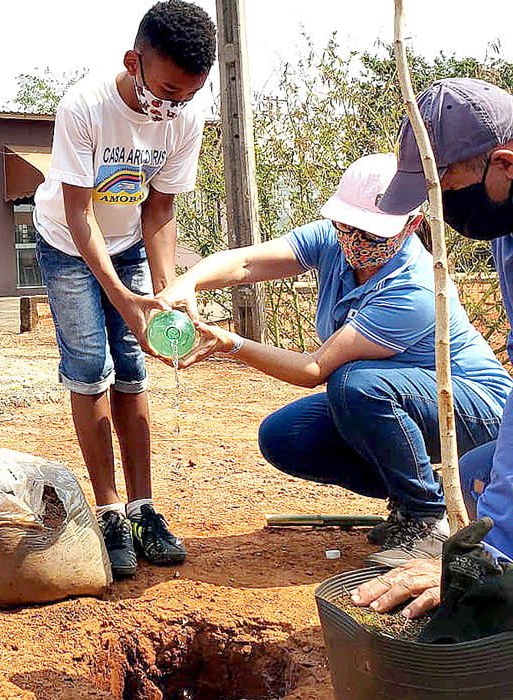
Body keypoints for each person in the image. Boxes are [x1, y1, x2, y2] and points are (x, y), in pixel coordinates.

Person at [164, 153, 511, 568]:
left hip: (475, 409)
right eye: (348, 228)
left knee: (354, 385)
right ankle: (415, 495)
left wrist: (233, 344)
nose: (356, 242)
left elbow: (314, 370)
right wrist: (189, 279)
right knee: (286, 435)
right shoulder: (335, 239)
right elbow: (245, 263)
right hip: (408, 397)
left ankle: (425, 521)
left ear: (412, 225)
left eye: (372, 235)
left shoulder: (414, 289)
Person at [31, 0, 215, 578]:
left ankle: (144, 509)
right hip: (68, 244)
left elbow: (160, 207)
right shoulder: (84, 106)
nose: (175, 105)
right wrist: (121, 297)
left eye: (188, 94)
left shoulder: (188, 111)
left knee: (134, 370)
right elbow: (78, 214)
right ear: (133, 61)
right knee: (90, 370)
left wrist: (165, 292)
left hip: (131, 239)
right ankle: (108, 513)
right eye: (166, 90)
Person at [353, 78, 513, 617]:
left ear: (505, 164)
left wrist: (493, 553)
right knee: (479, 469)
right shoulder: (506, 228)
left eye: (446, 187)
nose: (443, 210)